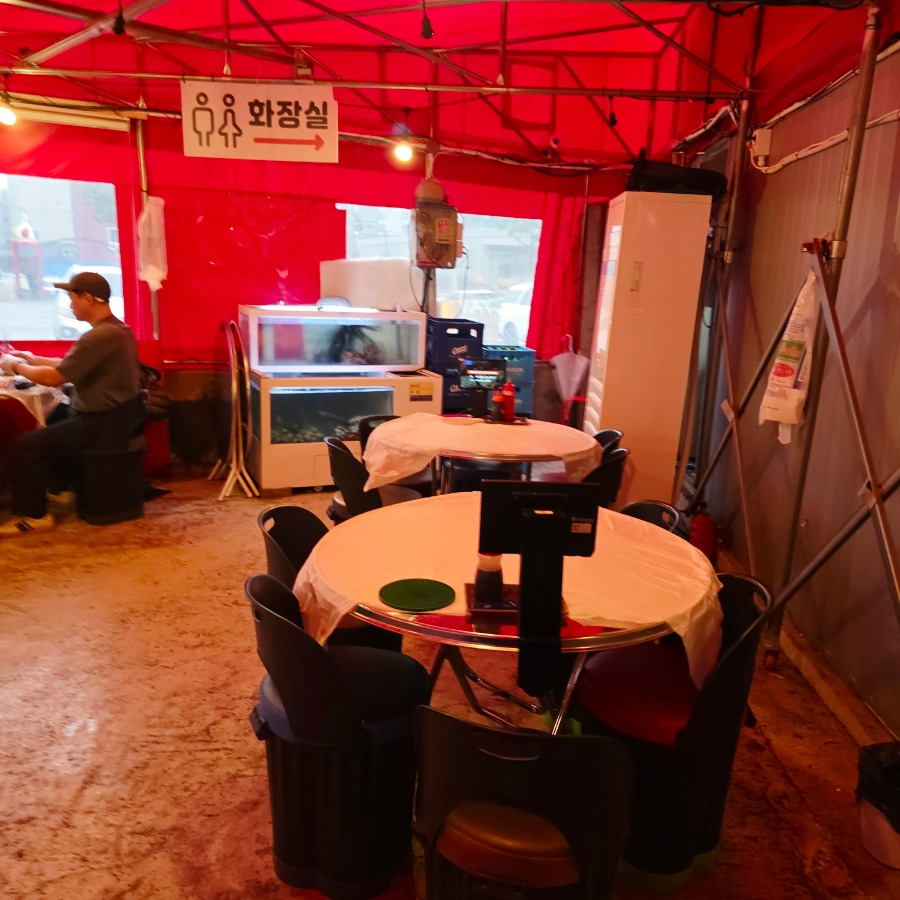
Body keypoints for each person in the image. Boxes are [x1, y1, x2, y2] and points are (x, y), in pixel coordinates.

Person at [0, 271, 143, 537]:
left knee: (25, 445)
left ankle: (33, 515)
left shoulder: (101, 335)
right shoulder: (115, 330)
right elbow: (70, 364)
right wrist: (31, 359)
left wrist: (14, 365)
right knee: (55, 416)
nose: (70, 305)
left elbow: (54, 378)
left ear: (87, 298)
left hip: (102, 423)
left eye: (72, 298)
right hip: (115, 418)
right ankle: (59, 489)